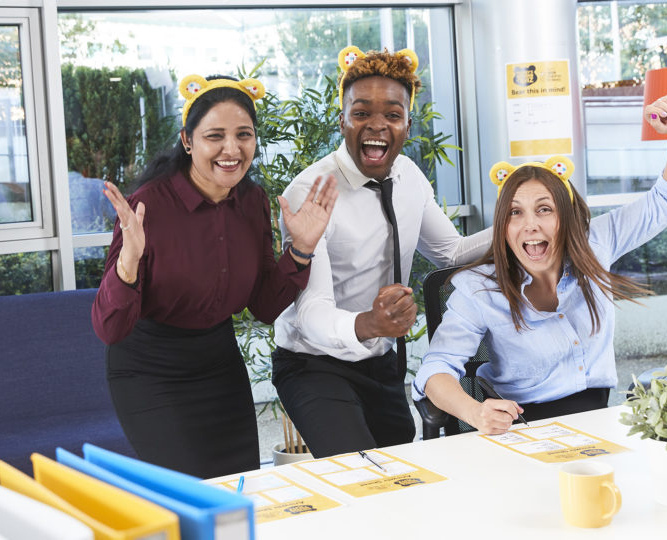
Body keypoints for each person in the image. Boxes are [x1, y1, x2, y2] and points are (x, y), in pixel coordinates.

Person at [91, 74, 338, 477]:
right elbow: (109, 329)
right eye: (215, 136)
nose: (231, 149)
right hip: (151, 371)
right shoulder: (146, 206)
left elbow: (263, 305)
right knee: (191, 493)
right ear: (188, 141)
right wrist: (129, 261)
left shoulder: (252, 201)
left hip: (218, 364)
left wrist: (301, 249)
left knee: (238, 487)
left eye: (244, 135)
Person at [413, 94, 667, 435]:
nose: (530, 225)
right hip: (522, 429)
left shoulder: (595, 242)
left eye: (544, 209)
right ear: (503, 225)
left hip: (598, 422)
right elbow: (434, 371)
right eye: (516, 212)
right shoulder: (478, 287)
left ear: (565, 217)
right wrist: (474, 413)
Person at [271, 46, 492, 458]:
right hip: (313, 364)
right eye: (361, 113)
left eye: (392, 114)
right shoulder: (311, 191)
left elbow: (451, 252)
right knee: (357, 470)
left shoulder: (408, 176)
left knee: (399, 468)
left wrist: (519, 225)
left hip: (380, 360)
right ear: (342, 120)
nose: (377, 125)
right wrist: (370, 323)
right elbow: (311, 311)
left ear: (408, 123)